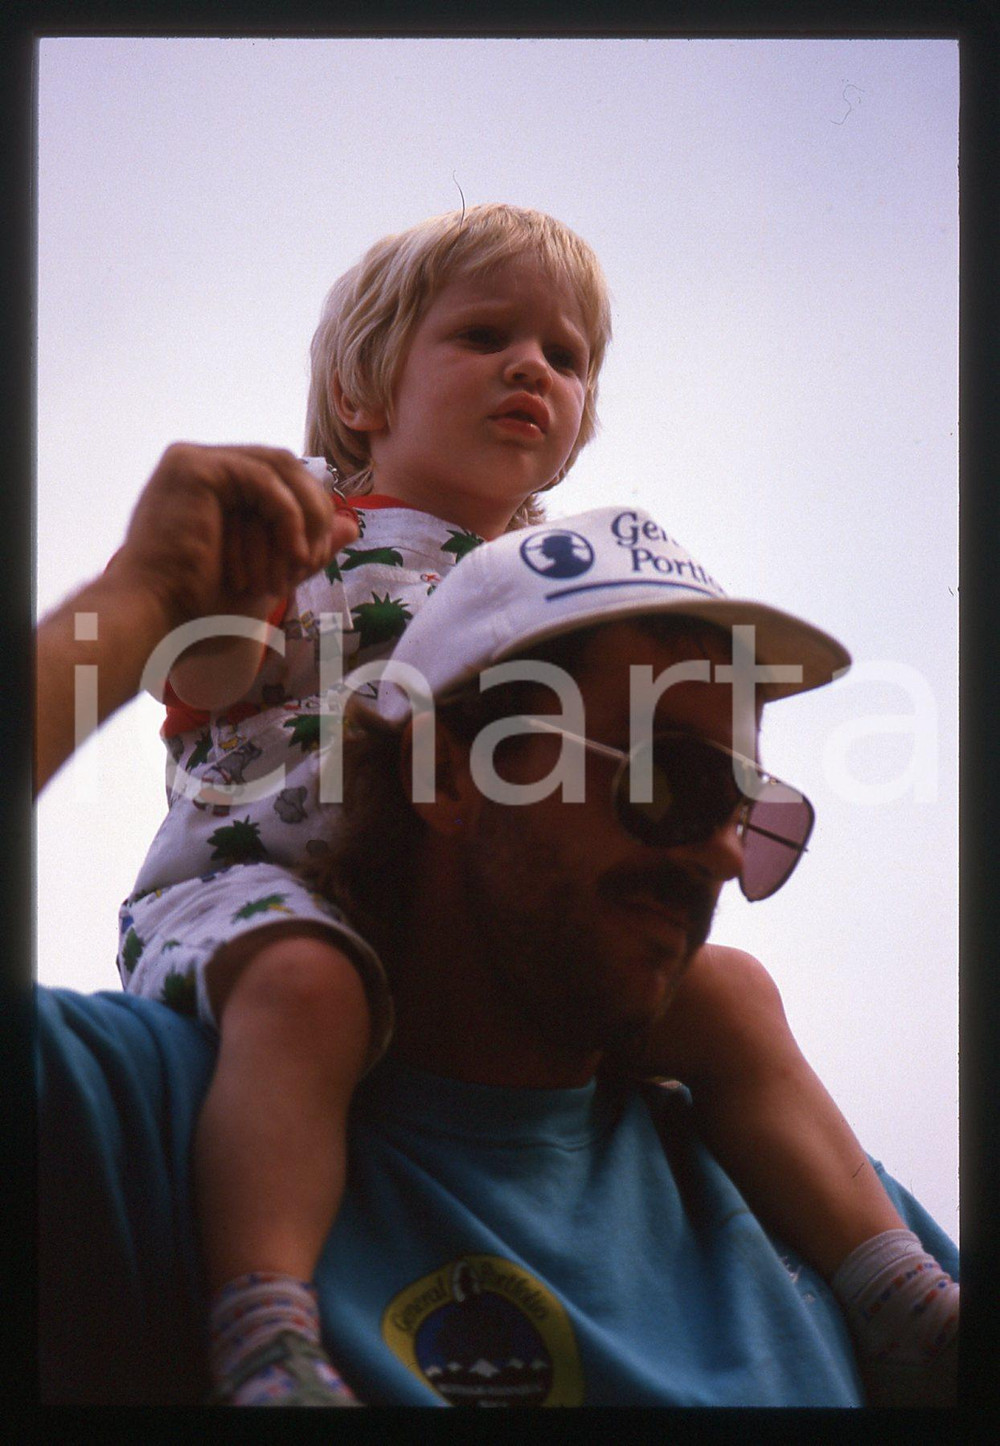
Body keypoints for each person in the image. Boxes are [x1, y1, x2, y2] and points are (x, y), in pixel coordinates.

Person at [63, 202, 948, 1407]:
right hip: (262, 894)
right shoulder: (310, 537)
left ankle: (895, 1296)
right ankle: (264, 1319)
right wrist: (174, 591)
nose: (533, 366)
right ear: (364, 395)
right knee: (310, 991)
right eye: (483, 335)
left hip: (449, 942)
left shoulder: (568, 580)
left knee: (735, 991)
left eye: (568, 356)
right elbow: (208, 676)